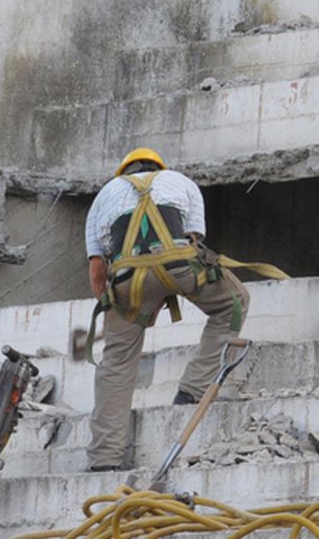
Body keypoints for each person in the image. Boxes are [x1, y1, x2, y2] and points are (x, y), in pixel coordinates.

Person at [84, 147, 249, 472]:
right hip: (179, 267)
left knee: (116, 364)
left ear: (123, 171)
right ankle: (193, 389)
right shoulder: (179, 181)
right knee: (235, 301)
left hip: (127, 279)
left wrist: (120, 311)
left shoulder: (104, 194)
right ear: (159, 167)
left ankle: (104, 459)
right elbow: (191, 242)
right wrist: (164, 288)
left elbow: (97, 270)